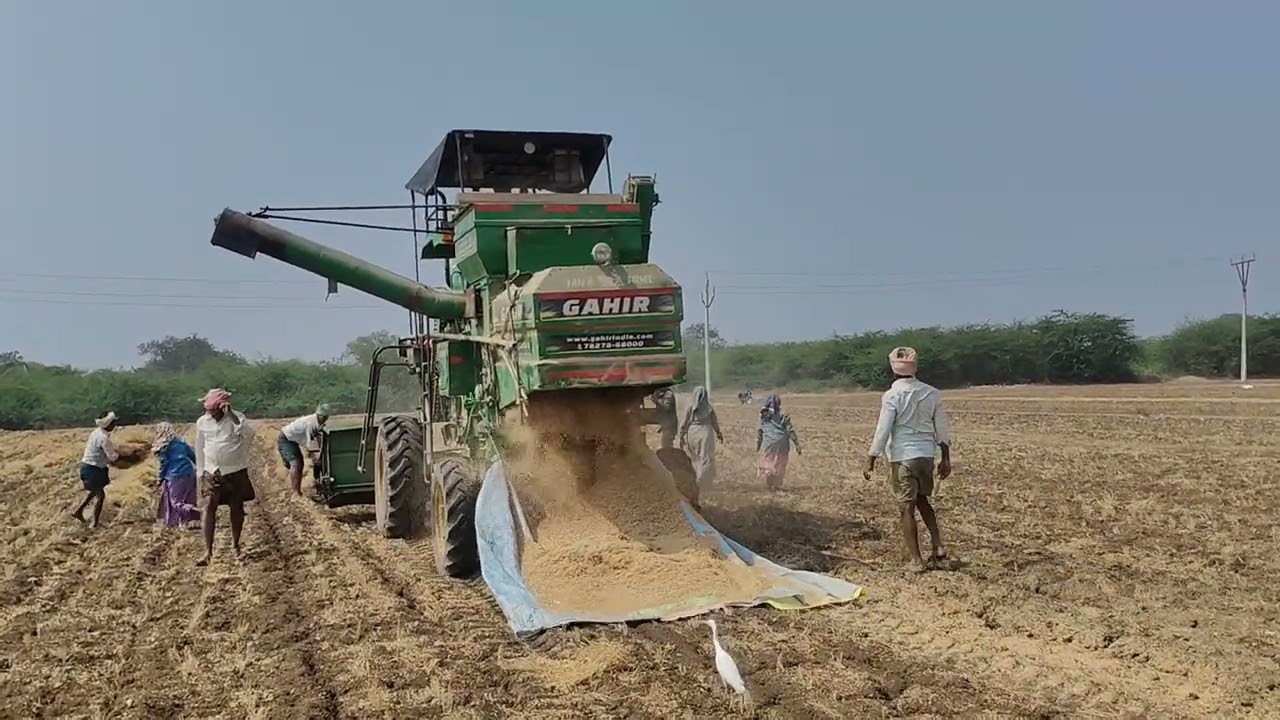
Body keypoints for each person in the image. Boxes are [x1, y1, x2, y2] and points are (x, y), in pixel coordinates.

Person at [862, 347, 952, 574]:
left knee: (906, 509)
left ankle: (916, 560)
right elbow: (941, 428)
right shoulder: (932, 393)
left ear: (893, 370)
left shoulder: (892, 396)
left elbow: (883, 429)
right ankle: (938, 545)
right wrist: (945, 458)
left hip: (903, 457)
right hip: (926, 455)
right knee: (923, 501)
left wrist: (872, 457)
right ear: (915, 367)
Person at [194, 388, 256, 566]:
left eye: (214, 410)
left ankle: (236, 546)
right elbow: (199, 447)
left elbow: (249, 434)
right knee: (208, 507)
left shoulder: (237, 418)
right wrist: (200, 472)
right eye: (208, 410)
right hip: (211, 470)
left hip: (234, 470)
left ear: (223, 407)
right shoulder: (202, 422)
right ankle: (208, 552)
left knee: (236, 506)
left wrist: (232, 416)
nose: (210, 413)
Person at [75, 411, 119, 528]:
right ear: (108, 424)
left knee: (94, 492)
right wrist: (126, 455)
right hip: (94, 469)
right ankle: (94, 523)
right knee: (100, 495)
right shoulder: (104, 438)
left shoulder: (96, 433)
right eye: (113, 423)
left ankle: (79, 512)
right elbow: (112, 457)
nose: (114, 425)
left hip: (87, 466)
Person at [153, 422, 200, 529]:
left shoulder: (163, 446)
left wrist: (159, 479)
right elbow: (193, 457)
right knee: (187, 499)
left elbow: (163, 464)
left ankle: (198, 512)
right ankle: (183, 522)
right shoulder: (181, 442)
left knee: (176, 502)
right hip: (189, 474)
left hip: (174, 477)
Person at [278, 404, 331, 496]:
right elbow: (310, 445)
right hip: (286, 439)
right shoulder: (310, 423)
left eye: (326, 417)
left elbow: (318, 437)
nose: (325, 419)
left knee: (303, 464)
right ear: (319, 415)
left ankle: (314, 486)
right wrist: (316, 457)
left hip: (294, 439)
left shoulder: (318, 422)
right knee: (296, 464)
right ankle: (296, 493)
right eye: (323, 417)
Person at [679, 386, 724, 492]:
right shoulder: (709, 407)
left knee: (694, 458)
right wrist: (718, 433)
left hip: (692, 433)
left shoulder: (690, 406)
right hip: (705, 433)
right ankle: (703, 482)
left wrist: (681, 436)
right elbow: (714, 422)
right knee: (705, 458)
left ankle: (695, 479)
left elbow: (684, 423)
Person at [756, 394, 801, 491]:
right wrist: (797, 444)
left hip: (769, 443)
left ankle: (769, 482)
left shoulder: (763, 415)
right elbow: (790, 430)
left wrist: (758, 445)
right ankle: (776, 485)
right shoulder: (784, 415)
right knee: (780, 463)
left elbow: (760, 432)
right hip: (783, 443)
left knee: (769, 462)